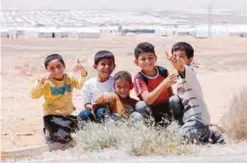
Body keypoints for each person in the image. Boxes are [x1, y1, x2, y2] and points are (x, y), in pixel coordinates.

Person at [166, 42, 225, 144]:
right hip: (186, 118)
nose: (177, 59)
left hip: (197, 118)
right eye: (175, 56)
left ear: (190, 59)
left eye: (181, 57)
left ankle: (210, 132)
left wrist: (175, 62)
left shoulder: (189, 71)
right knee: (173, 101)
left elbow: (180, 67)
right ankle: (185, 129)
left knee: (183, 139)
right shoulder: (179, 77)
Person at [30, 54, 88, 149]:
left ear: (64, 66)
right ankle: (47, 131)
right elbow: (33, 95)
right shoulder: (46, 82)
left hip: (68, 116)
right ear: (47, 70)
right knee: (63, 138)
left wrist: (83, 73)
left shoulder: (69, 78)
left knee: (88, 130)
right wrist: (40, 82)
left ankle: (59, 131)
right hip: (52, 117)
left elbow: (81, 85)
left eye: (59, 66)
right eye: (52, 68)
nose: (56, 70)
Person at [133, 42, 178, 126]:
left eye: (150, 58)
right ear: (136, 62)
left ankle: (177, 125)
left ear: (155, 58)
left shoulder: (163, 71)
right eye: (143, 59)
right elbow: (148, 100)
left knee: (175, 99)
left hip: (166, 108)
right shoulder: (139, 78)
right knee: (140, 105)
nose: (147, 61)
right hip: (151, 110)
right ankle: (150, 129)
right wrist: (163, 84)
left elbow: (170, 93)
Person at [78, 50, 115, 122]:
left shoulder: (115, 82)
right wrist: (92, 107)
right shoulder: (89, 83)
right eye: (103, 64)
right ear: (95, 66)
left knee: (101, 111)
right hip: (93, 112)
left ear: (114, 66)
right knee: (83, 115)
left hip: (110, 113)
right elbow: (86, 103)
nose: (107, 67)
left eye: (110, 64)